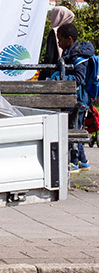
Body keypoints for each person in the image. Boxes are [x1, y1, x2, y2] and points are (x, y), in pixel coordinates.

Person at [56, 23, 95, 172]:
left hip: (78, 99)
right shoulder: (71, 53)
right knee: (75, 127)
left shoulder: (79, 56)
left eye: (60, 40)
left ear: (69, 39)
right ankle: (83, 160)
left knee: (74, 128)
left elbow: (79, 77)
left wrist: (60, 76)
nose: (59, 43)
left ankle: (74, 161)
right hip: (74, 97)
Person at [40, 6, 73, 79]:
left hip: (53, 69)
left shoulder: (55, 32)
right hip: (64, 68)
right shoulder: (70, 31)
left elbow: (49, 54)